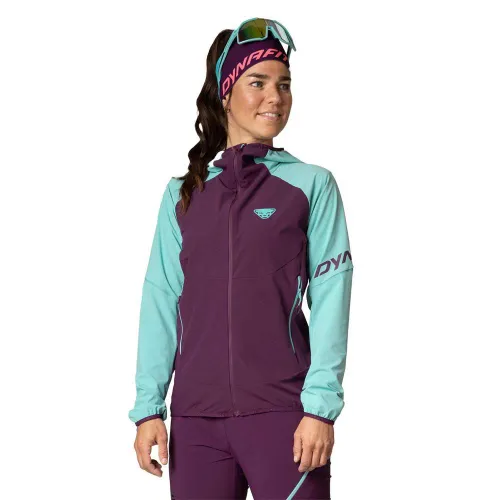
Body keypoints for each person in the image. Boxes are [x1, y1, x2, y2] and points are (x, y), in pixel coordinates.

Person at [128, 17, 354, 499]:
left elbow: (332, 298)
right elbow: (161, 300)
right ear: (226, 93)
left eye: (284, 84)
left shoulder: (310, 185)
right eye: (258, 82)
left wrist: (320, 408)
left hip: (285, 416)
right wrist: (149, 408)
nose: (275, 97)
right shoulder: (183, 195)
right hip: (196, 424)